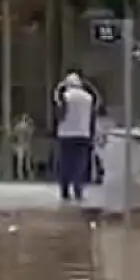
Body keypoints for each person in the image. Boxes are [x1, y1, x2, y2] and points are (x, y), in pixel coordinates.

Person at [52, 71, 100, 202]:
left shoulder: (64, 96)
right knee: (80, 163)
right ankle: (78, 189)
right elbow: (93, 114)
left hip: (66, 134)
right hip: (83, 134)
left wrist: (57, 94)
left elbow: (60, 114)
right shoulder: (88, 98)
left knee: (65, 163)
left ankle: (65, 190)